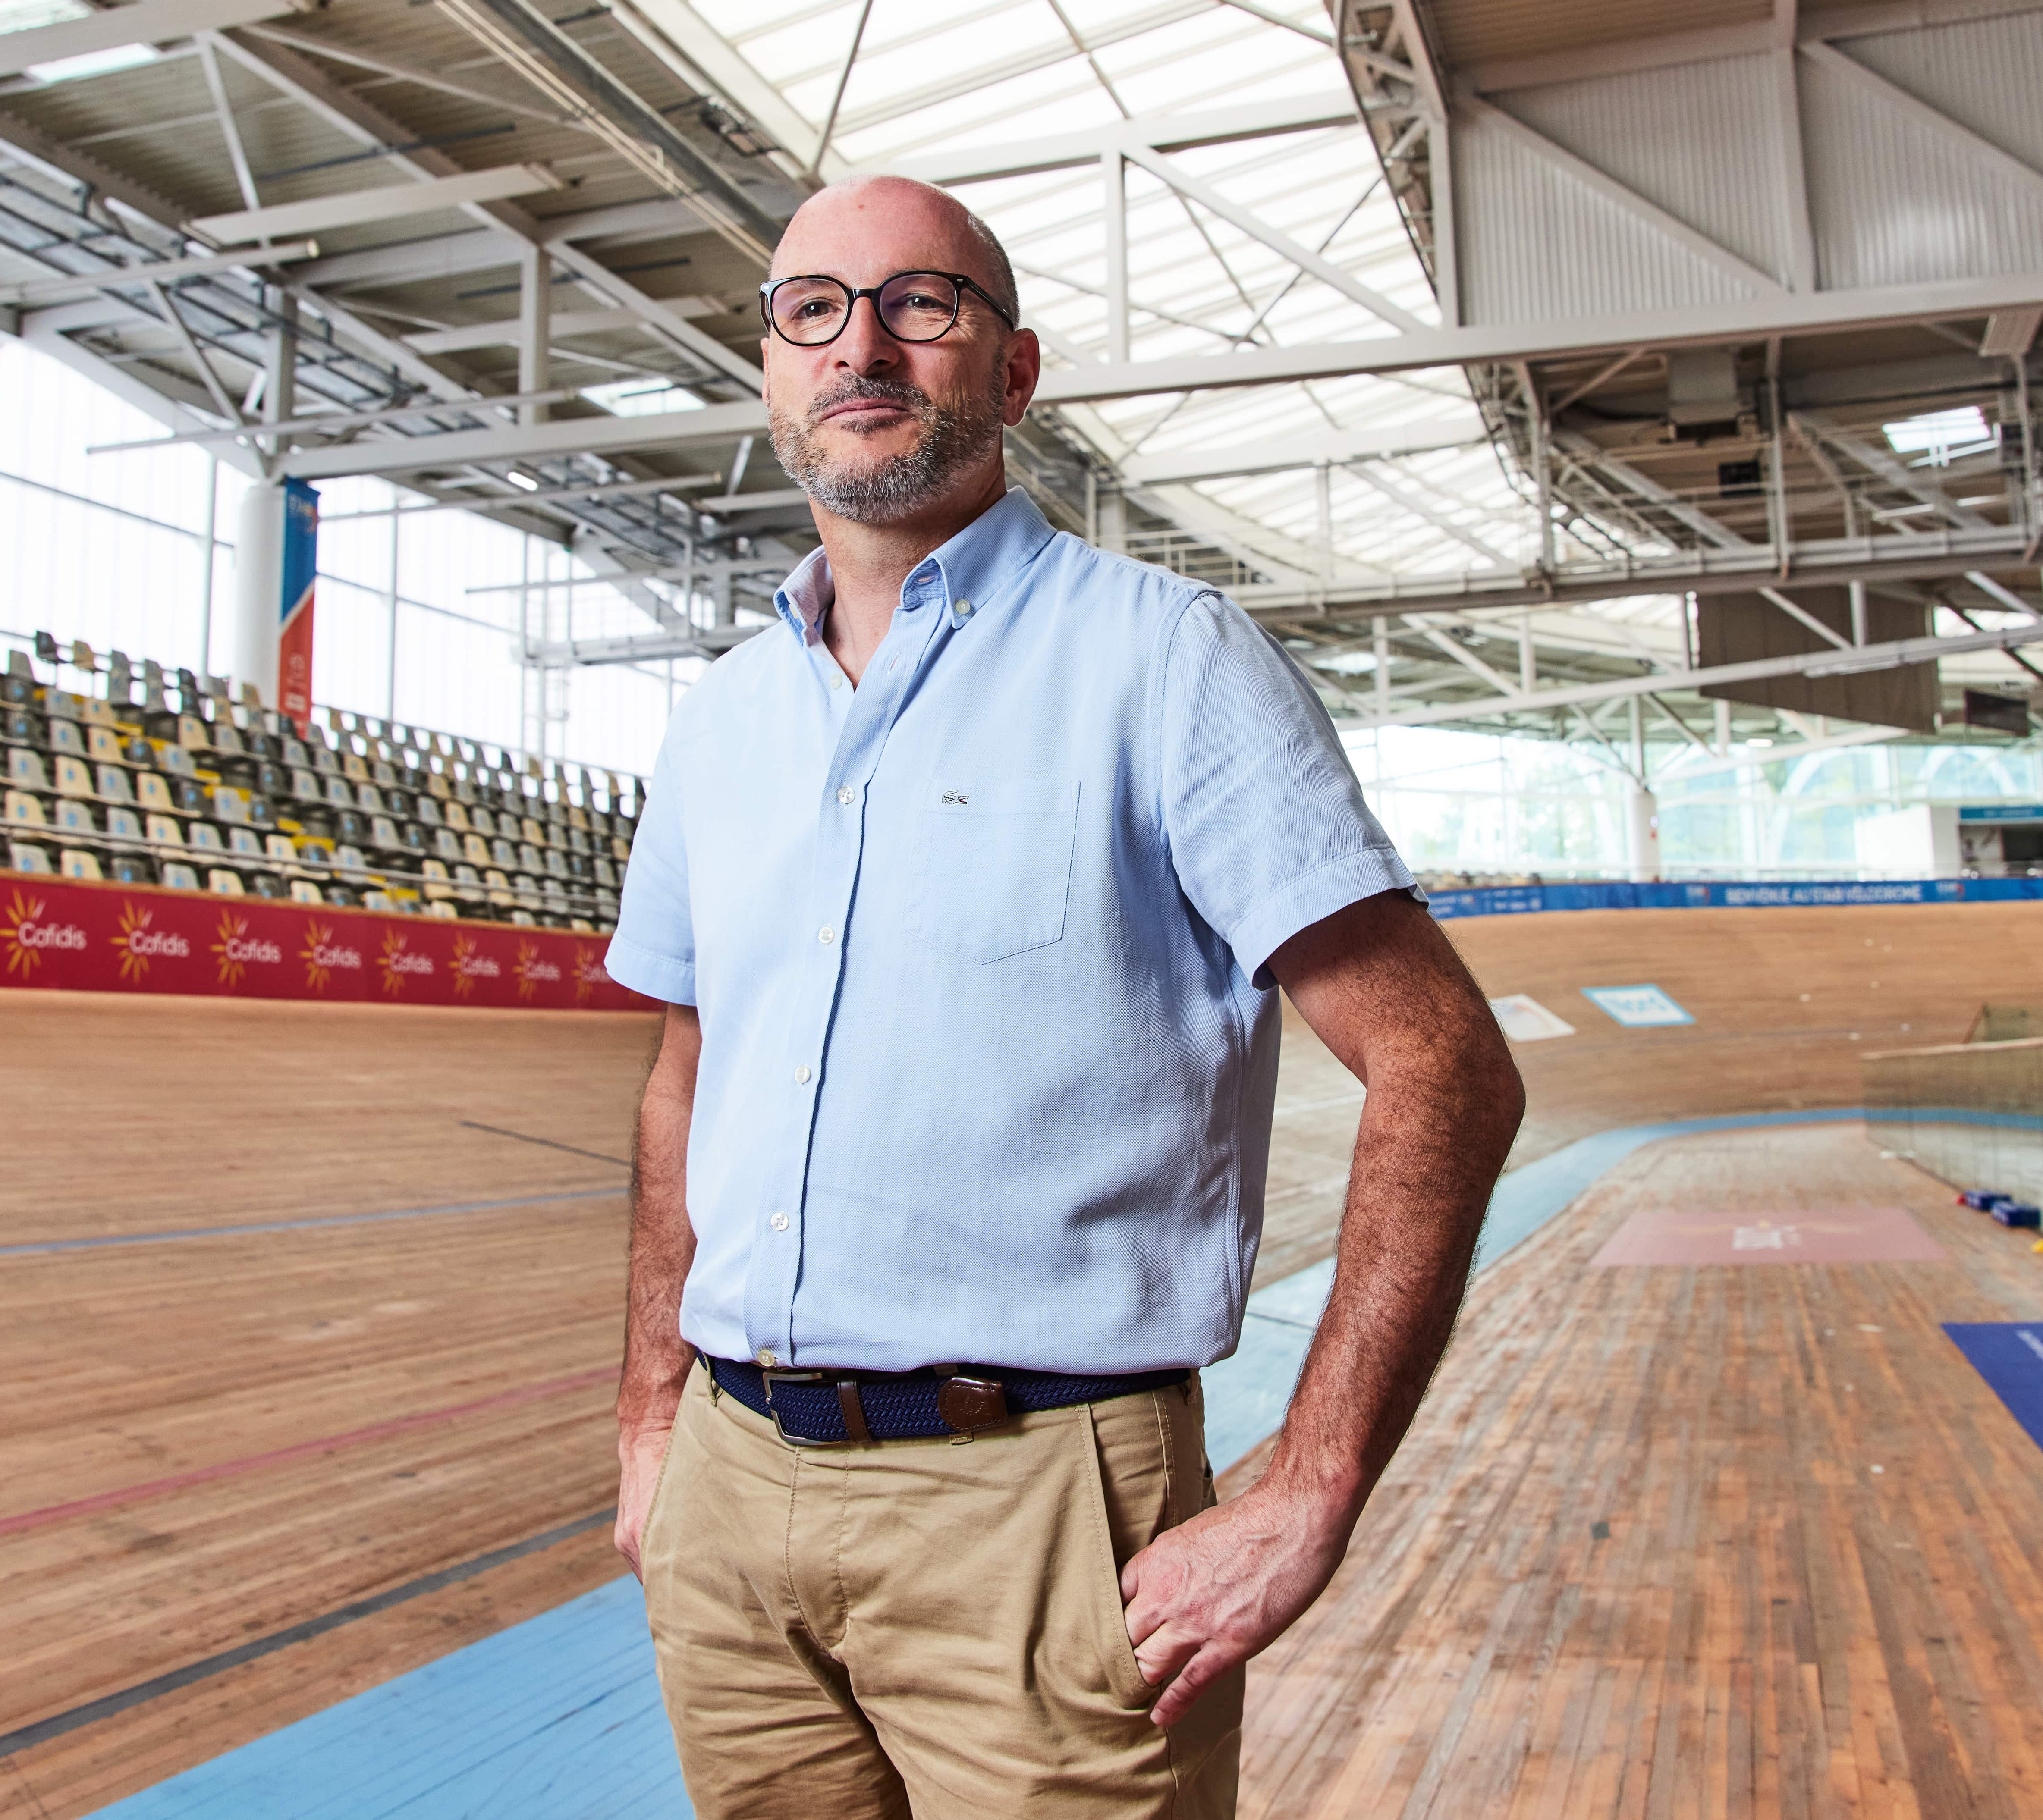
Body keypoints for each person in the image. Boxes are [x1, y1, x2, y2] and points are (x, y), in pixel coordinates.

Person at [603, 176, 1525, 1817]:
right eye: (812, 308)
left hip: (1042, 1507)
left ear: (1014, 373)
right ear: (771, 368)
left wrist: (1314, 1486)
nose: (861, 343)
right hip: (735, 1509)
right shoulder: (722, 721)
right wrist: (651, 1429)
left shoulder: (1165, 659)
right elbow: (687, 1080)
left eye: (922, 303)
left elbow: (1441, 1060)